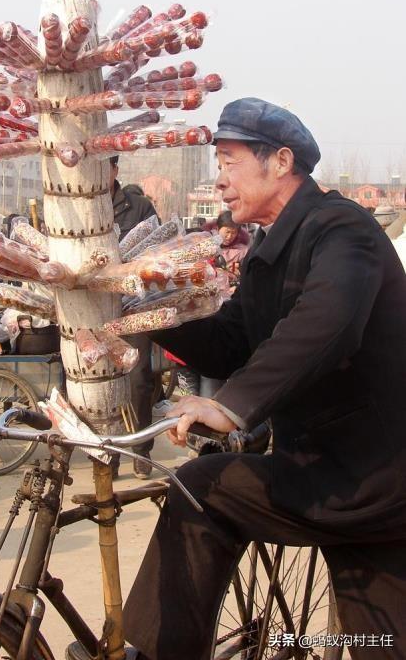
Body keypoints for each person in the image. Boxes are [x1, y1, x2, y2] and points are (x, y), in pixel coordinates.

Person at [123, 98, 406, 660]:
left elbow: (328, 321)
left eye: (229, 162)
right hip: (334, 472)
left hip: (366, 474)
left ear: (280, 161)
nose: (219, 180)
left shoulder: (341, 227)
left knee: (200, 487)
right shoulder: (268, 250)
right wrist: (144, 309)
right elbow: (231, 340)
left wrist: (230, 406)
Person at [110, 156, 159, 479]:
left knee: (139, 380)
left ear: (114, 169)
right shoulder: (81, 207)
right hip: (93, 308)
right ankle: (108, 454)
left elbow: (159, 246)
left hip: (134, 305)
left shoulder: (139, 207)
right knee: (102, 384)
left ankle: (141, 451)